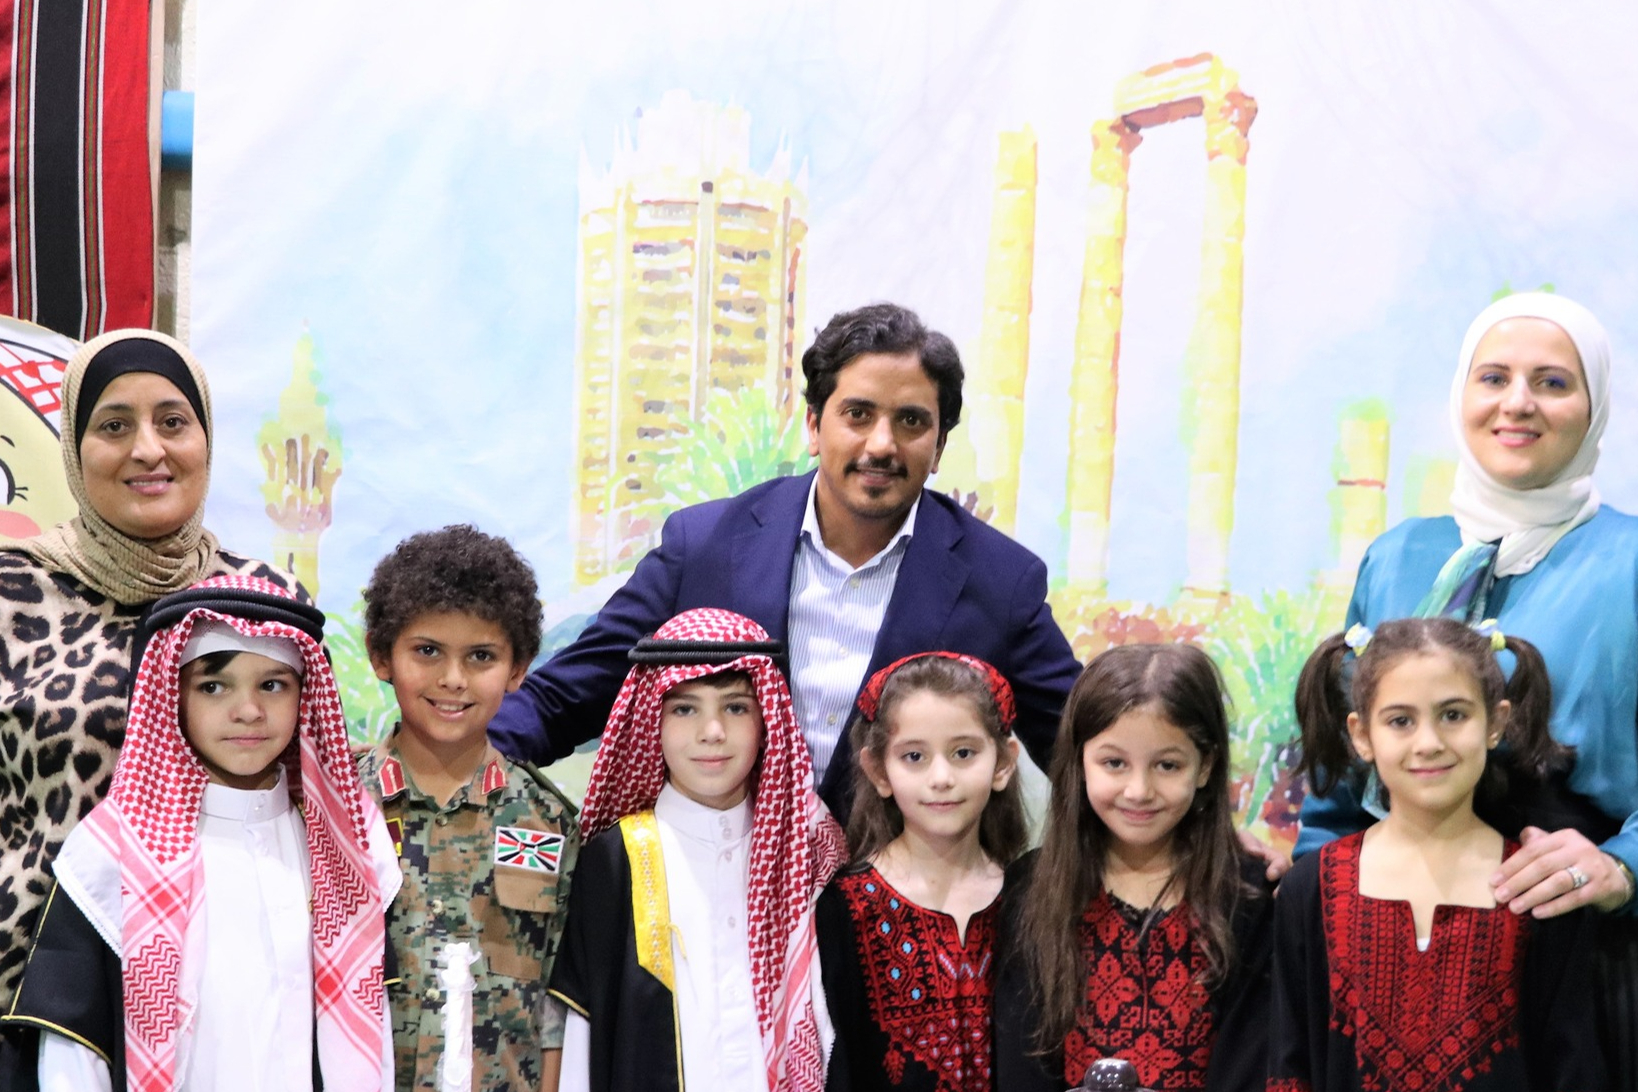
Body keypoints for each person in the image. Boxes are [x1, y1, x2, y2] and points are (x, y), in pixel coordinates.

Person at [487, 302, 1082, 816]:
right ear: (815, 426)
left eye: (910, 421)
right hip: (716, 884)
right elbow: (563, 700)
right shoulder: (705, 547)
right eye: (858, 414)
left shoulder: (1001, 582)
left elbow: (1084, 748)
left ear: (939, 445)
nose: (882, 444)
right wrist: (450, 769)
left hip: (907, 898)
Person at [1294, 292, 1638, 1081]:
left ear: (1594, 407)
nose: (1518, 402)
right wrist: (1315, 899)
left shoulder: (1629, 564)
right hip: (1394, 947)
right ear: (1462, 394)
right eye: (1494, 377)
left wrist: (1623, 866)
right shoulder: (1397, 557)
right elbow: (1342, 773)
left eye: (1553, 382)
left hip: (1573, 945)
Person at [0, 576, 401, 1091]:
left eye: (273, 685)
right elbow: (73, 1054)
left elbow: (370, 1026)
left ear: (306, 697)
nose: (248, 711)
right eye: (213, 686)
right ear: (174, 697)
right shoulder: (112, 851)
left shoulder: (348, 844)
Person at [0, 329, 304, 1004]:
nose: (148, 448)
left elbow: (313, 801)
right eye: (114, 425)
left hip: (223, 998)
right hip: (30, 992)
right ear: (75, 447)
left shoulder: (264, 602)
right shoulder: (11, 593)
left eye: (173, 422)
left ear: (205, 439)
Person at [1274, 617, 1605, 1090]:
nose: (1428, 743)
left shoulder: (1539, 888)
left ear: (1496, 723)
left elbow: (1573, 1070)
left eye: (1453, 715)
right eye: (1400, 721)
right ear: (1362, 735)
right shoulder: (1311, 891)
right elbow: (1289, 1067)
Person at [548, 608, 847, 1092]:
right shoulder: (615, 858)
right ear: (653, 722)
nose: (712, 731)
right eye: (685, 709)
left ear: (766, 720)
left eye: (736, 708)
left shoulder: (808, 852)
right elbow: (583, 1039)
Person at [356, 525, 582, 1092]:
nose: (453, 679)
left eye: (481, 656)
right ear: (381, 655)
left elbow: (556, 1008)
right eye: (427, 651)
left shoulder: (548, 822)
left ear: (518, 668)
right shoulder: (339, 809)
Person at [994, 645, 1270, 1092]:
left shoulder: (1248, 896)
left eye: (1167, 765)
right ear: (1080, 761)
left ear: (1205, 766)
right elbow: (1021, 1065)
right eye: (1115, 763)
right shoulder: (1030, 890)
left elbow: (1250, 1062)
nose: (1139, 790)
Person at [818, 652, 1027, 1092]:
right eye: (914, 756)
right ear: (879, 770)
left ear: (1003, 763)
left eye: (964, 753)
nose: (941, 777)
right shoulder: (843, 909)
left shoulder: (1028, 900)